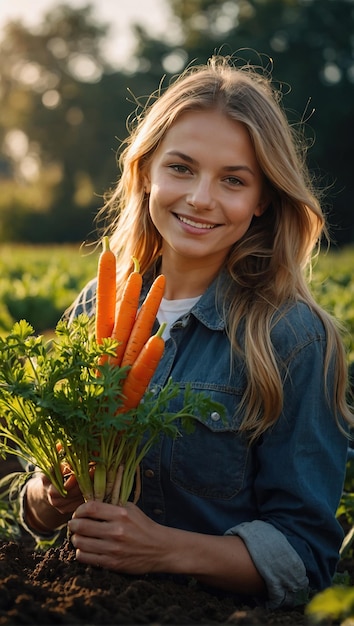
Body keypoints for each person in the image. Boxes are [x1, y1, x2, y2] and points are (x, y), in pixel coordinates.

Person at [20, 54, 353, 609]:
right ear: (147, 171)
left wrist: (164, 550)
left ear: (262, 199)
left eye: (232, 180)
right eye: (181, 167)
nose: (201, 197)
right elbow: (32, 501)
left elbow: (306, 554)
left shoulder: (292, 338)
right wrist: (49, 496)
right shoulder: (92, 307)